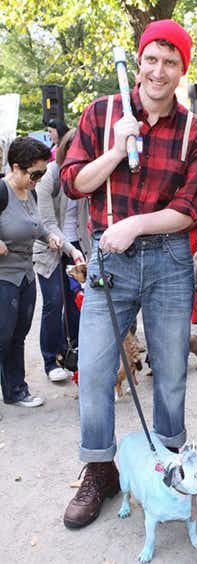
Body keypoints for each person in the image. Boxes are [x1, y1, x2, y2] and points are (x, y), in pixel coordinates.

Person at [60, 19, 197, 529]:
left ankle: (167, 464)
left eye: (171, 62)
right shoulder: (100, 113)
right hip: (109, 259)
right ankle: (99, 469)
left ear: (181, 70)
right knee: (97, 372)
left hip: (167, 258)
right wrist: (115, 150)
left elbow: (190, 208)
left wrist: (136, 225)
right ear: (139, 61)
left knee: (170, 375)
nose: (158, 71)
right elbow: (75, 183)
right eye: (151, 59)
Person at [0, 137, 60, 407]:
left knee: (18, 335)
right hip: (3, 277)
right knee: (2, 335)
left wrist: (48, 237)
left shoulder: (31, 193)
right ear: (16, 168)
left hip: (26, 273)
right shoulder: (2, 191)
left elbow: (35, 226)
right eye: (35, 173)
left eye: (43, 173)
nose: (40, 179)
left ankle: (16, 390)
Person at [33, 130, 91, 382]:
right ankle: (51, 359)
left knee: (78, 300)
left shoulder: (84, 175)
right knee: (54, 302)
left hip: (77, 245)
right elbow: (45, 222)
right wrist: (71, 249)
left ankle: (76, 351)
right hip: (49, 248)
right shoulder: (49, 177)